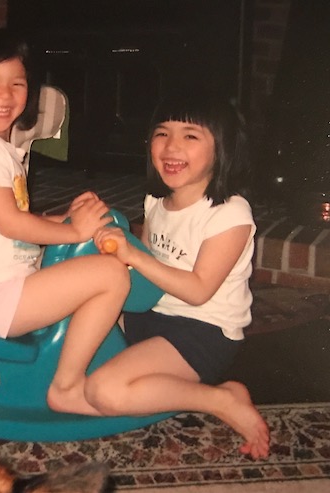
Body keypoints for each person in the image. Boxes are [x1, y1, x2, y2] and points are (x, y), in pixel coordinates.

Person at [0, 29, 129, 418]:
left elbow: (11, 219)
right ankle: (66, 386)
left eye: (17, 83)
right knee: (112, 275)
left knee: (94, 249)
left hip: (2, 286)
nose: (5, 94)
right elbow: (11, 224)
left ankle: (104, 355)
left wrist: (63, 219)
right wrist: (72, 231)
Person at [85, 92, 270, 459]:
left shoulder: (229, 213)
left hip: (203, 330)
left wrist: (133, 254)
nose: (172, 147)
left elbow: (199, 291)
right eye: (162, 133)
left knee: (102, 392)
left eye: (190, 135)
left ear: (222, 148)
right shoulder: (156, 201)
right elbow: (139, 270)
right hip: (151, 314)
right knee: (76, 324)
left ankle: (218, 399)